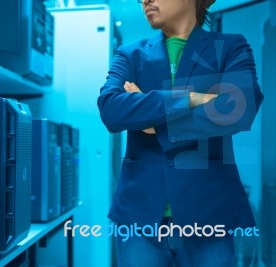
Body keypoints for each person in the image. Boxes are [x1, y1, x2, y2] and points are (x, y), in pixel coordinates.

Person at [97, 0, 264, 266]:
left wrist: (156, 124)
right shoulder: (130, 55)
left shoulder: (230, 47)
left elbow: (240, 108)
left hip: (210, 217)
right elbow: (111, 109)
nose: (145, 0)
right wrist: (194, 98)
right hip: (140, 220)